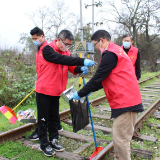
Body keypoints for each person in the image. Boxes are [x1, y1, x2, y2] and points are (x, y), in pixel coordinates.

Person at [70, 30, 144, 160]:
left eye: (95, 44)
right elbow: (105, 78)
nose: (96, 48)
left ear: (102, 41)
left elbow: (98, 77)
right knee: (119, 138)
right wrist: (89, 90)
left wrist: (80, 94)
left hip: (126, 102)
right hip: (126, 100)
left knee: (121, 140)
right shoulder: (116, 51)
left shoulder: (110, 54)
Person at [31, 28, 94, 157]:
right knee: (43, 119)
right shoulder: (47, 49)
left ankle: (53, 140)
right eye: (66, 44)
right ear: (59, 40)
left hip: (56, 91)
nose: (67, 47)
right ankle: (44, 144)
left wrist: (80, 68)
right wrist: (82, 60)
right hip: (44, 90)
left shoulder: (67, 53)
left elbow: (70, 67)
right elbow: (61, 60)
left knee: (54, 118)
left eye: (70, 45)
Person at [27, 27, 63, 141]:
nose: (34, 41)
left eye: (36, 38)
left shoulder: (47, 49)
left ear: (42, 37)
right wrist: (37, 80)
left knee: (48, 115)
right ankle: (52, 131)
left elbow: (60, 64)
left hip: (50, 87)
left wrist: (80, 64)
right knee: (47, 114)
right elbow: (41, 68)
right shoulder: (39, 49)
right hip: (42, 85)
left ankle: (46, 136)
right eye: (32, 39)